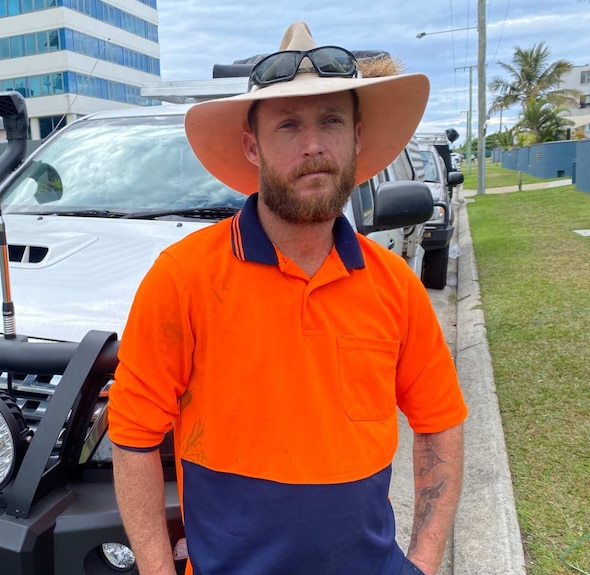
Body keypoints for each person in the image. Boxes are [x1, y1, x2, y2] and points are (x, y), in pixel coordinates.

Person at [108, 21, 467, 575]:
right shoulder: (183, 277)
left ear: (356, 137)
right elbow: (132, 438)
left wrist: (422, 562)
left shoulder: (394, 284)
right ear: (252, 145)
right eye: (288, 125)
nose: (314, 144)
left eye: (331, 120)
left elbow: (439, 420)